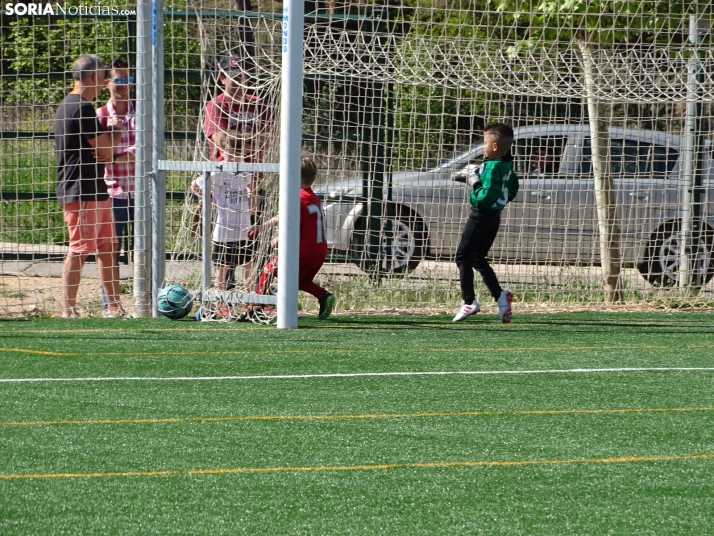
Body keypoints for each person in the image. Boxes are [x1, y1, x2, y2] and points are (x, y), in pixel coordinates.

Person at [54, 54, 125, 318]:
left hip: (96, 188)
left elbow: (102, 150)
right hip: (80, 190)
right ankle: (68, 310)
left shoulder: (75, 106)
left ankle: (114, 307)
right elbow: (106, 151)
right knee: (79, 249)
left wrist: (106, 141)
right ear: (94, 77)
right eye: (104, 76)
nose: (106, 81)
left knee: (108, 246)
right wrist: (115, 132)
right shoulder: (80, 107)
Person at [248, 156, 335, 320]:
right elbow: (287, 217)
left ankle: (256, 307)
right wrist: (261, 228)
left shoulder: (298, 199)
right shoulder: (312, 198)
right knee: (298, 281)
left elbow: (292, 225)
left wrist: (279, 238)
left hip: (304, 251)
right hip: (319, 250)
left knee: (268, 269)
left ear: (295, 176)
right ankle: (324, 296)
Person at [453, 122, 519, 324]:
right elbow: (513, 187)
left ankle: (469, 301)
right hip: (494, 217)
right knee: (477, 257)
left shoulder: (491, 166)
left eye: (485, 143)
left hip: (480, 215)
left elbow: (485, 196)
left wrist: (475, 183)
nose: (483, 147)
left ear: (495, 147)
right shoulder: (506, 165)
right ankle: (500, 296)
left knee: (463, 256)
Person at [190, 135, 255, 292]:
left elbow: (250, 188)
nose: (233, 158)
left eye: (237, 154)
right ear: (222, 152)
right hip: (224, 230)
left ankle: (251, 300)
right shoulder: (217, 172)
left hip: (244, 227)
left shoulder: (244, 169)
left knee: (249, 264)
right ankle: (221, 302)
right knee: (222, 267)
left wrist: (251, 201)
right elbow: (195, 185)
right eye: (230, 153)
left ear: (243, 153)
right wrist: (209, 199)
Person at [96, 58, 135, 259]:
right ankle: (109, 292)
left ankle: (148, 290)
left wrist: (113, 156)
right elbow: (98, 155)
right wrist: (112, 134)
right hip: (112, 192)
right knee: (109, 249)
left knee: (149, 249)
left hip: (143, 191)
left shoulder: (143, 112)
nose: (125, 85)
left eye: (129, 79)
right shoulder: (100, 115)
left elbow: (146, 150)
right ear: (107, 83)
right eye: (119, 81)